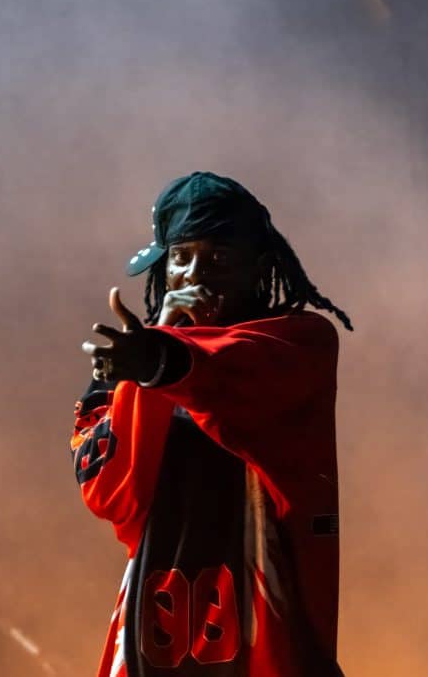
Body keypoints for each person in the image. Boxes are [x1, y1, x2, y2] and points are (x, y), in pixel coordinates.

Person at [70, 172, 353, 677]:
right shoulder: (126, 367)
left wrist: (162, 359)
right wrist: (146, 370)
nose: (197, 276)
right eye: (182, 258)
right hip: (156, 632)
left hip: (263, 633)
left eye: (220, 259)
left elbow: (231, 373)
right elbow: (112, 497)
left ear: (259, 268)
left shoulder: (299, 342)